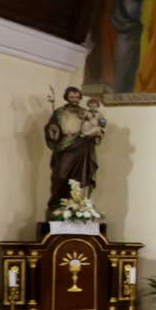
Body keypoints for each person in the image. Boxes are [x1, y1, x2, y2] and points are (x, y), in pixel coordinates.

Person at [44, 87, 101, 216]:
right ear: (67, 98)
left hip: (81, 146)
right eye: (72, 97)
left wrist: (97, 132)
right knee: (61, 176)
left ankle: (76, 206)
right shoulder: (59, 113)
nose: (75, 100)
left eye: (77, 97)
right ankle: (57, 206)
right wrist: (52, 129)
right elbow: (51, 129)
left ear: (80, 98)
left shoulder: (84, 112)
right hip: (65, 147)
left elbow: (96, 124)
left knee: (79, 178)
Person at [109, 0, 147, 93]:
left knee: (133, 63)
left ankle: (128, 92)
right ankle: (120, 92)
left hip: (135, 29)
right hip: (127, 29)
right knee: (125, 62)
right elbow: (132, 10)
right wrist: (147, 6)